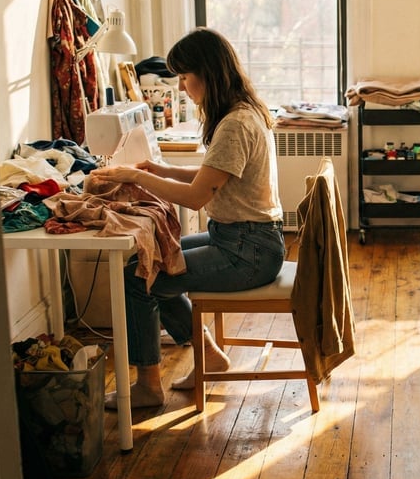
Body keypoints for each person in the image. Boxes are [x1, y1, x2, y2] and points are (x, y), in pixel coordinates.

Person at [92, 27, 285, 409]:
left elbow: (197, 197)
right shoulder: (241, 113)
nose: (181, 87)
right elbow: (211, 178)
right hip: (242, 239)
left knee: (140, 279)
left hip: (248, 251)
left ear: (208, 72)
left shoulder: (235, 125)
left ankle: (147, 387)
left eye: (184, 76)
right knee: (154, 260)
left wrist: (137, 176)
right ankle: (207, 353)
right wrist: (158, 170)